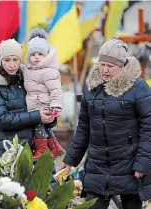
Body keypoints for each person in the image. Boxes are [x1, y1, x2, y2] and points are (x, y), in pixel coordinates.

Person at [60, 39, 151, 209]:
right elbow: (84, 127)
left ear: (122, 66)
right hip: (97, 166)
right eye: (102, 64)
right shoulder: (91, 87)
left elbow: (149, 129)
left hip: (130, 167)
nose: (105, 70)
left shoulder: (139, 88)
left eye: (111, 66)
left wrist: (142, 163)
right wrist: (71, 158)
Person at [0, 39, 56, 156]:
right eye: (7, 60)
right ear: (0, 60)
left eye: (15, 59)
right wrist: (38, 116)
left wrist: (50, 117)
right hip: (9, 153)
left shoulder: (29, 80)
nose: (12, 65)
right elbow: (1, 119)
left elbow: (43, 109)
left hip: (38, 151)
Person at [22, 28, 64, 160]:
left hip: (44, 104)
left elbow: (56, 90)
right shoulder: (28, 69)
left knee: (38, 125)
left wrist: (56, 106)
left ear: (45, 56)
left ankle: (42, 149)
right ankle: (55, 147)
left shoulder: (49, 71)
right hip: (35, 104)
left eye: (40, 54)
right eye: (33, 54)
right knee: (45, 128)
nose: (36, 57)